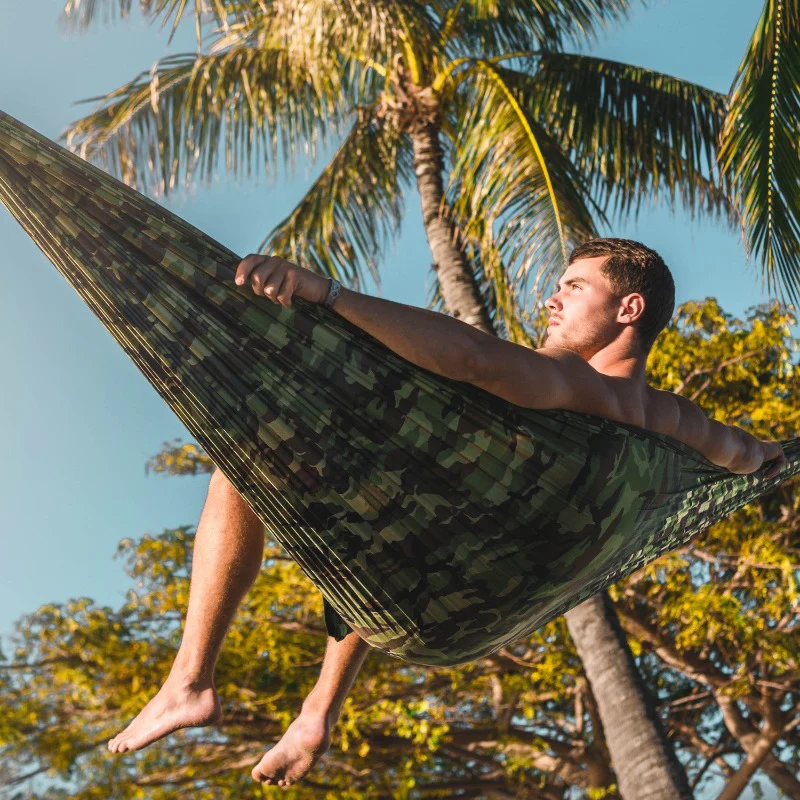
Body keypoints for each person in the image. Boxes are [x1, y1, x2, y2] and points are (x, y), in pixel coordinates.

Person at [106, 238, 787, 787]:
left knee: (245, 455)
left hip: (461, 581)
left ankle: (191, 677)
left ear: (629, 307)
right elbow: (753, 457)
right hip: (476, 596)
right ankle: (316, 713)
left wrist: (328, 295)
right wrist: (780, 454)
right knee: (389, 530)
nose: (552, 298)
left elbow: (470, 357)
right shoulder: (679, 421)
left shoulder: (569, 377)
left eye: (575, 287)